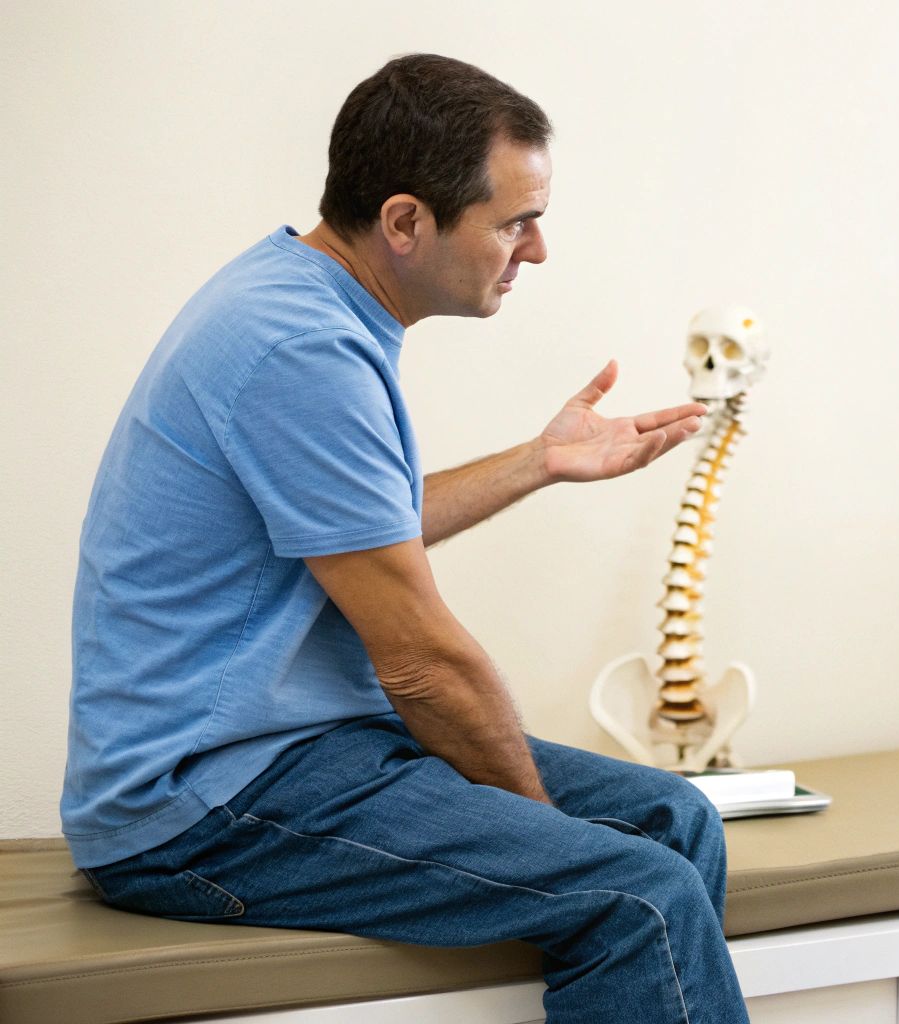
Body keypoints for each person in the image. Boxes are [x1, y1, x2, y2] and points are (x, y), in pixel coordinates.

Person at [62, 54, 750, 1024]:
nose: (538, 249)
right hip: (197, 810)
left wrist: (540, 459)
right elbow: (423, 662)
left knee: (672, 818)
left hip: (303, 749)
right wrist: (543, 837)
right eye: (514, 222)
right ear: (404, 222)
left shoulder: (303, 299)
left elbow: (354, 525)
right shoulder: (296, 345)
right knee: (635, 890)